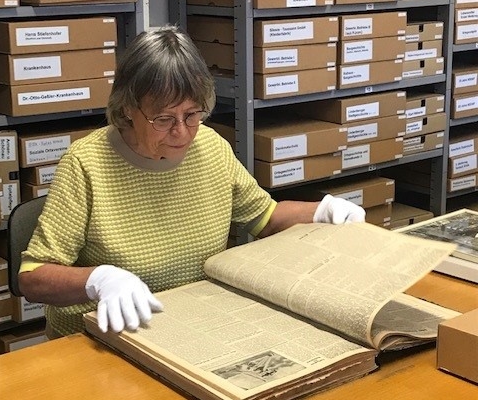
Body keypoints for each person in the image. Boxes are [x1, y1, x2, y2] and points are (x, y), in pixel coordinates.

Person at [18, 25, 365, 339]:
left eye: (192, 114)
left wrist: (323, 211)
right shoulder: (86, 165)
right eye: (163, 118)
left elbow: (266, 218)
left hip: (195, 325)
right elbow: (33, 276)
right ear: (126, 109)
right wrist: (98, 281)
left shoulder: (211, 148)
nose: (182, 133)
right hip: (107, 336)